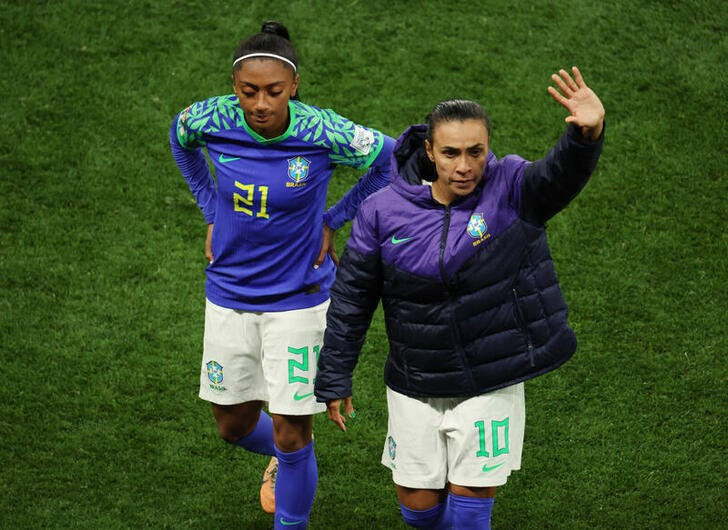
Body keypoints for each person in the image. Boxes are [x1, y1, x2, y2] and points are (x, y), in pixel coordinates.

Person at [314, 67, 605, 529]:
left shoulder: (511, 186)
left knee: (469, 513)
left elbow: (557, 178)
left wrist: (586, 136)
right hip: (415, 380)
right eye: (450, 153)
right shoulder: (382, 211)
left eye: (476, 152)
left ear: (489, 149)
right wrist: (334, 375)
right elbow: (352, 298)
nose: (464, 166)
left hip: (491, 378)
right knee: (419, 512)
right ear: (429, 151)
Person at [169, 21, 395, 529]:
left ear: (293, 87)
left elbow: (391, 159)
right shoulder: (212, 117)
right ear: (235, 89)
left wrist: (334, 219)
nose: (260, 104)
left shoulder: (320, 131)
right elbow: (179, 138)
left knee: (294, 434)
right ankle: (281, 458)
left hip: (300, 298)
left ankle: (291, 503)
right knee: (232, 425)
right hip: (228, 292)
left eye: (273, 91)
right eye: (249, 92)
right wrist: (210, 208)